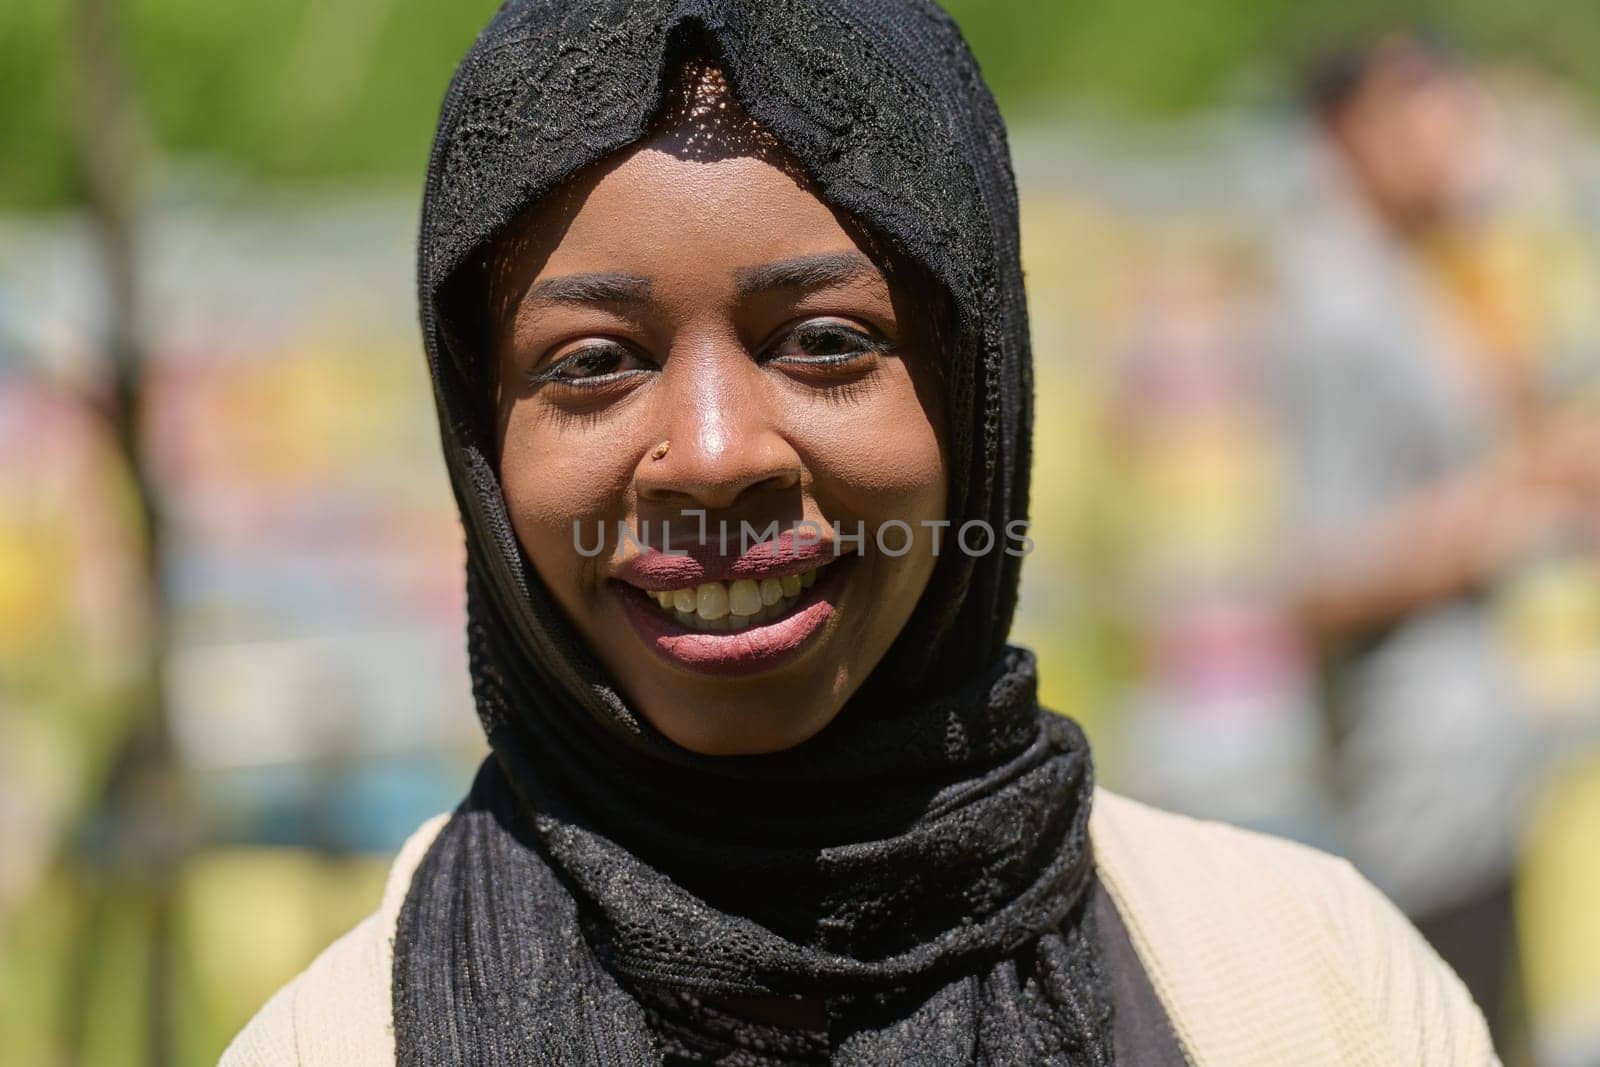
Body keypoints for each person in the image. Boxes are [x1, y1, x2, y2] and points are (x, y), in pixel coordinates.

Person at [223, 3, 1495, 1064]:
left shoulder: (1314, 990)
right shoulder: (334, 1041)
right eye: (593, 363)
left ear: (974, 390)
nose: (716, 456)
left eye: (826, 341)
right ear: (481, 437)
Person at [1274, 32, 1600, 1053]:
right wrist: (1523, 501)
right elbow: (1313, 572)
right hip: (1411, 772)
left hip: (1475, 759)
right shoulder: (1333, 303)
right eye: (1419, 98)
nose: (1453, 123)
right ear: (1344, 128)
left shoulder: (1411, 270)